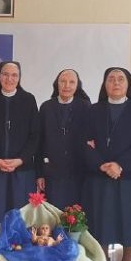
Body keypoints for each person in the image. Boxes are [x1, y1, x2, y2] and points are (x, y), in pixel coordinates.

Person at [83, 67, 131, 261]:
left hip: (130, 175)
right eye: (111, 79)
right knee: (101, 220)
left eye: (120, 79)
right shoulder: (93, 111)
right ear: (104, 84)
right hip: (100, 174)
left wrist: (120, 165)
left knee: (128, 221)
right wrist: (102, 165)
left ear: (128, 84)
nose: (115, 83)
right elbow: (84, 142)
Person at [0, 61, 40, 231]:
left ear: (19, 78)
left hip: (22, 169)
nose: (9, 79)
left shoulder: (28, 100)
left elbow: (35, 135)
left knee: (20, 215)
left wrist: (20, 160)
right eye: (5, 74)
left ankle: (18, 244)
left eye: (14, 75)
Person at [36, 68, 92, 210]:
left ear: (77, 85)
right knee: (53, 213)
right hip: (52, 173)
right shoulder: (46, 107)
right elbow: (39, 142)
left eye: (72, 82)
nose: (67, 85)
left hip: (78, 172)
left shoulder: (85, 107)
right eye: (63, 81)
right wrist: (40, 174)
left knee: (76, 214)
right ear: (57, 84)